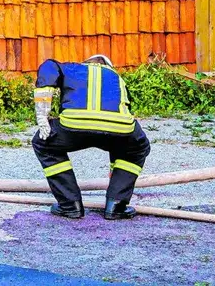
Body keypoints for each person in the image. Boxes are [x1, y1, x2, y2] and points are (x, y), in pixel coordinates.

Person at [32, 54, 151, 220]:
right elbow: (124, 114)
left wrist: (42, 114)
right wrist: (116, 174)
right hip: (118, 128)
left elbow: (49, 66)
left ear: (86, 63)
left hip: (74, 126)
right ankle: (116, 205)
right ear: (108, 66)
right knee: (137, 147)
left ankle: (70, 205)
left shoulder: (73, 68)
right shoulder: (117, 78)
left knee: (43, 142)